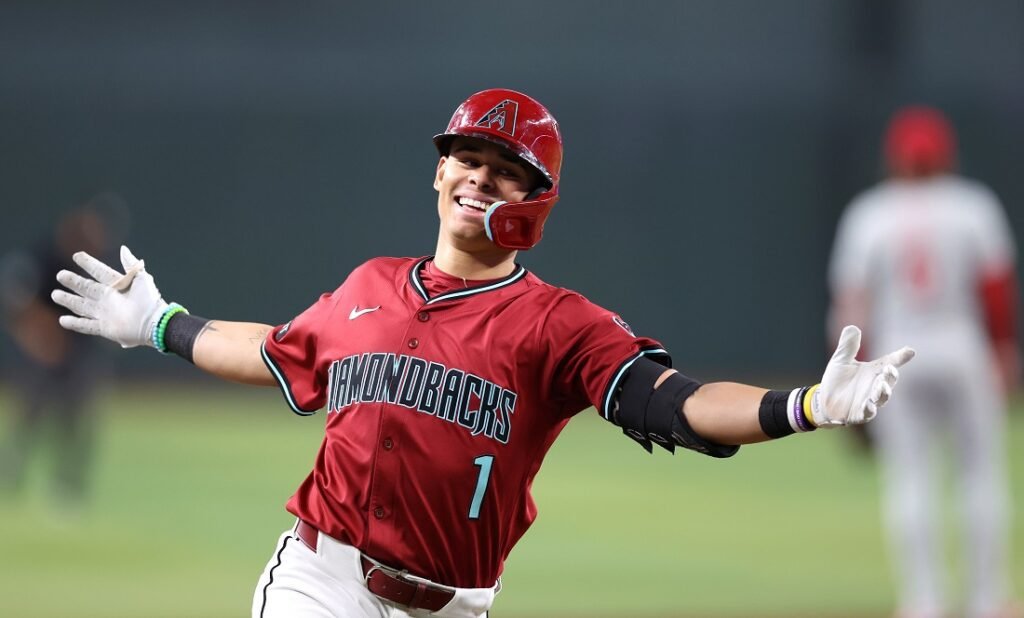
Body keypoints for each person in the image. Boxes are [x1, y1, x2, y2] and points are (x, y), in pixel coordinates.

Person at [51, 89, 914, 618]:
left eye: (505, 171)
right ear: (437, 174)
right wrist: (161, 322)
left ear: (538, 202)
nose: (478, 178)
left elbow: (673, 403)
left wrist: (801, 407)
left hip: (455, 605)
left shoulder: (557, 325)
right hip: (323, 582)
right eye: (467, 157)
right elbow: (277, 351)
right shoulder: (368, 287)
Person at [828, 105, 1020, 618]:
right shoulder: (973, 205)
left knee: (909, 477)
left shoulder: (869, 212)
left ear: (895, 158)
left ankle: (924, 602)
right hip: (962, 347)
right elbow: (997, 292)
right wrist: (1004, 351)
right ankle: (984, 600)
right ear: (946, 156)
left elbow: (851, 307)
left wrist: (847, 379)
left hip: (896, 356)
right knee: (981, 475)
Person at [0, 196, 127, 508]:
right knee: (31, 416)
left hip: (81, 352)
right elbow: (17, 298)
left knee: (79, 421)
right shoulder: (47, 253)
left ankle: (68, 486)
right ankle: (11, 476)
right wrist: (36, 333)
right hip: (45, 351)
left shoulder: (104, 261)